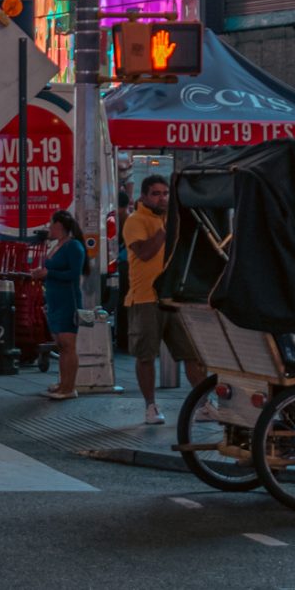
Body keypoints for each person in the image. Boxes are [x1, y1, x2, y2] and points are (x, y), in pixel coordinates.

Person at [120, 174, 203, 425]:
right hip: (145, 298)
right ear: (144, 196)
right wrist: (164, 231)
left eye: (165, 193)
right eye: (156, 193)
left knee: (192, 354)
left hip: (174, 297)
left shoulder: (174, 218)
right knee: (146, 355)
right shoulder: (136, 221)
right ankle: (151, 407)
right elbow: (144, 253)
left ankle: (205, 403)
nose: (162, 198)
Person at [42, 209, 88, 400]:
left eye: (51, 224)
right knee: (61, 344)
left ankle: (69, 387)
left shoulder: (74, 247)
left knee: (68, 344)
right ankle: (63, 382)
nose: (49, 228)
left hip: (68, 300)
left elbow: (73, 275)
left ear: (59, 226)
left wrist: (48, 274)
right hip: (54, 299)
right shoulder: (56, 246)